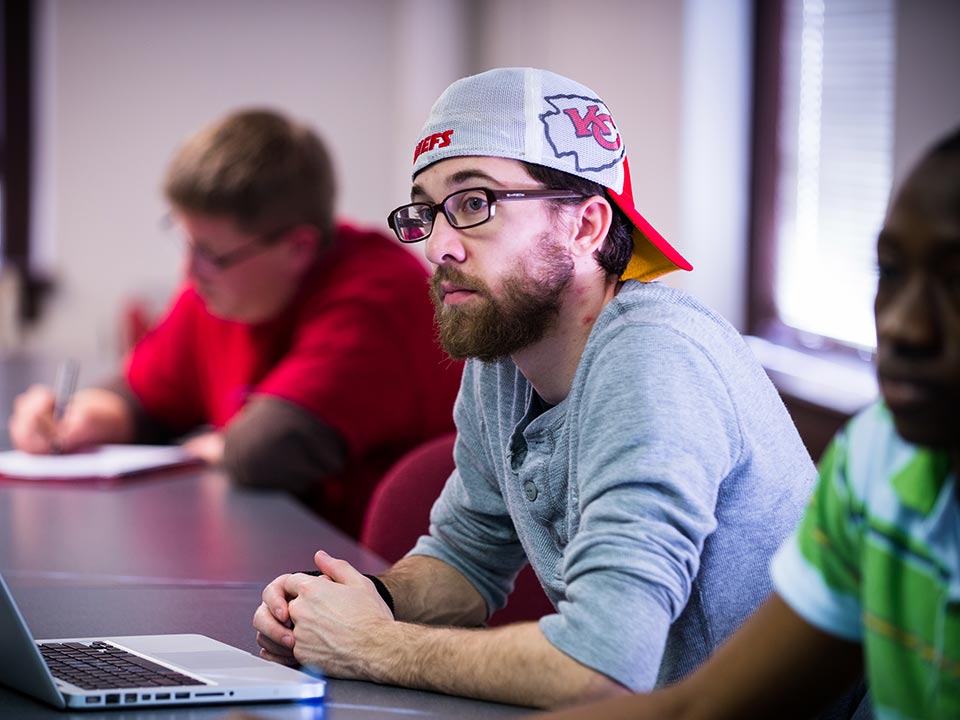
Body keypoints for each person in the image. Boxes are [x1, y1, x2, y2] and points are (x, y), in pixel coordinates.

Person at [251, 67, 819, 709]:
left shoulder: (655, 359)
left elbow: (601, 667)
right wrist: (356, 604)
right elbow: (464, 564)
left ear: (585, 226)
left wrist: (371, 646)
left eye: (473, 205)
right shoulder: (504, 350)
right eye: (428, 212)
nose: (438, 247)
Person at [532, 126, 960, 720]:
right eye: (890, 270)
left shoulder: (654, 352)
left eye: (956, 282)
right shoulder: (876, 461)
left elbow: (606, 660)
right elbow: (700, 708)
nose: (906, 326)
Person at [7, 109, 462, 537]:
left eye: (211, 254)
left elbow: (267, 450)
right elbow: (146, 395)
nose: (191, 271)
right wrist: (89, 416)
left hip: (384, 583)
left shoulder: (377, 297)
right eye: (187, 244)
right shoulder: (221, 291)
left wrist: (224, 445)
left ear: (298, 247)